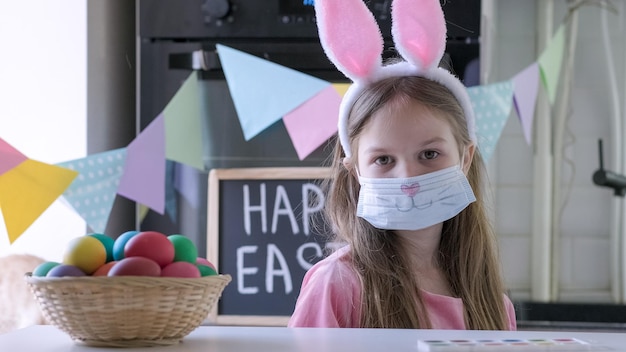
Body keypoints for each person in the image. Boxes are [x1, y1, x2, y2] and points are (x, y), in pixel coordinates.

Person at [287, 0, 516, 329]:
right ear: (356, 172)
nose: (407, 177)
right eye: (383, 159)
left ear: (465, 158)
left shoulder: (491, 302)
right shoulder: (338, 285)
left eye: (429, 154)